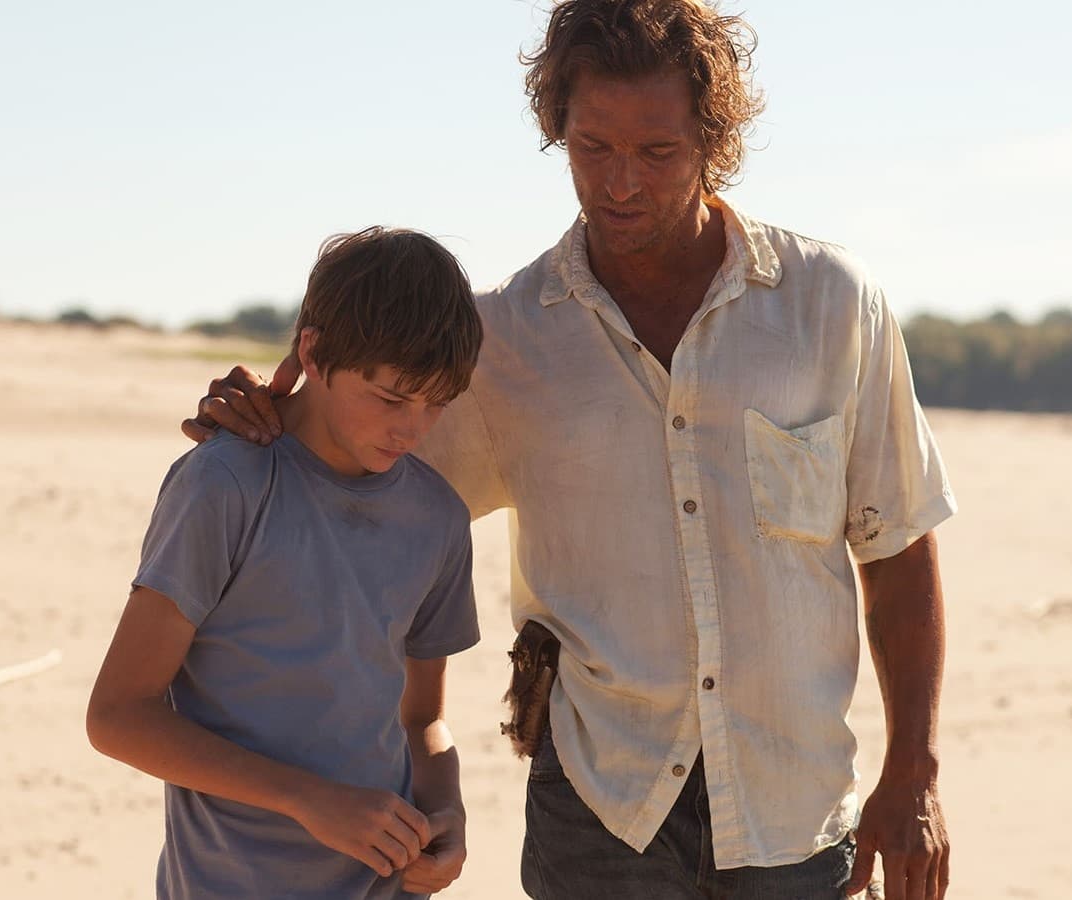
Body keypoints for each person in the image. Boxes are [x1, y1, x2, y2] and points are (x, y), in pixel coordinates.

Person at [187, 2, 955, 897]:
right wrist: (264, 419)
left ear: (713, 140)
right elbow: (351, 462)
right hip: (599, 811)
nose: (621, 183)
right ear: (559, 127)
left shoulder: (830, 305)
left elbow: (897, 549)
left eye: (657, 152)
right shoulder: (503, 342)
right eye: (593, 147)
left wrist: (914, 771)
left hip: (796, 810)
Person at [87, 226, 485, 899]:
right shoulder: (225, 485)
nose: (413, 429)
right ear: (313, 351)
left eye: (437, 404)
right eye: (391, 398)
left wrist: (448, 811)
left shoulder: (439, 517)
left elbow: (421, 720)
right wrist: (309, 800)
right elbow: (118, 716)